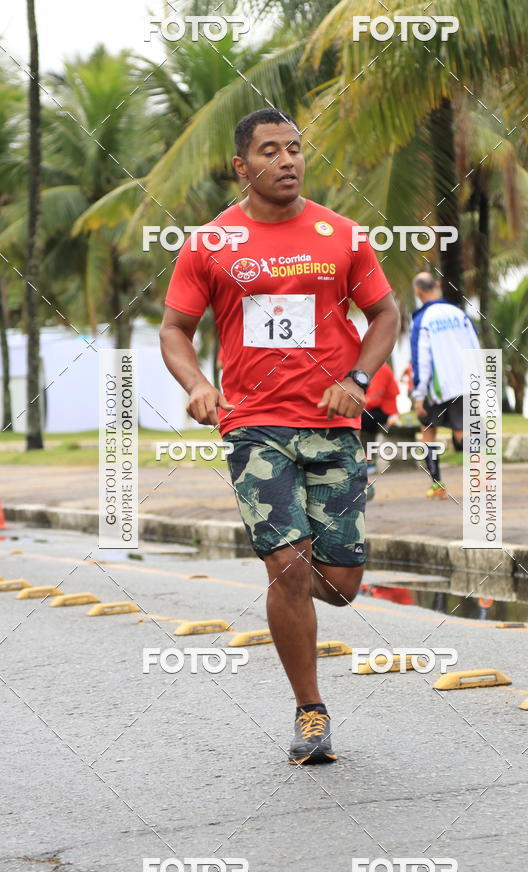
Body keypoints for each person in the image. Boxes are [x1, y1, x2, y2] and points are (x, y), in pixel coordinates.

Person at [160, 108, 399, 764]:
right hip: (254, 425)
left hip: (332, 422)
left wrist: (357, 377)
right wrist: (197, 385)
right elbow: (175, 329)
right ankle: (310, 710)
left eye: (294, 148)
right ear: (242, 166)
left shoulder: (341, 234)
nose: (288, 160)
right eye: (270, 150)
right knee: (288, 566)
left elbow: (385, 313)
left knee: (341, 583)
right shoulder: (211, 243)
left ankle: (292, 570)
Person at [410, 272, 479, 499]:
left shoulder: (422, 320)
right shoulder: (459, 313)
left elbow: (421, 359)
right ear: (437, 285)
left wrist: (418, 394)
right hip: (464, 382)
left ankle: (438, 486)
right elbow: (475, 344)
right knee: (463, 431)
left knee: (428, 431)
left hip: (436, 387)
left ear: (418, 292)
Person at [361, 362, 400, 476]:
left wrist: (358, 405)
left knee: (360, 419)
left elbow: (375, 397)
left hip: (386, 413)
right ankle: (367, 460)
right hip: (377, 411)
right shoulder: (374, 366)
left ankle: (368, 461)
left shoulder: (380, 368)